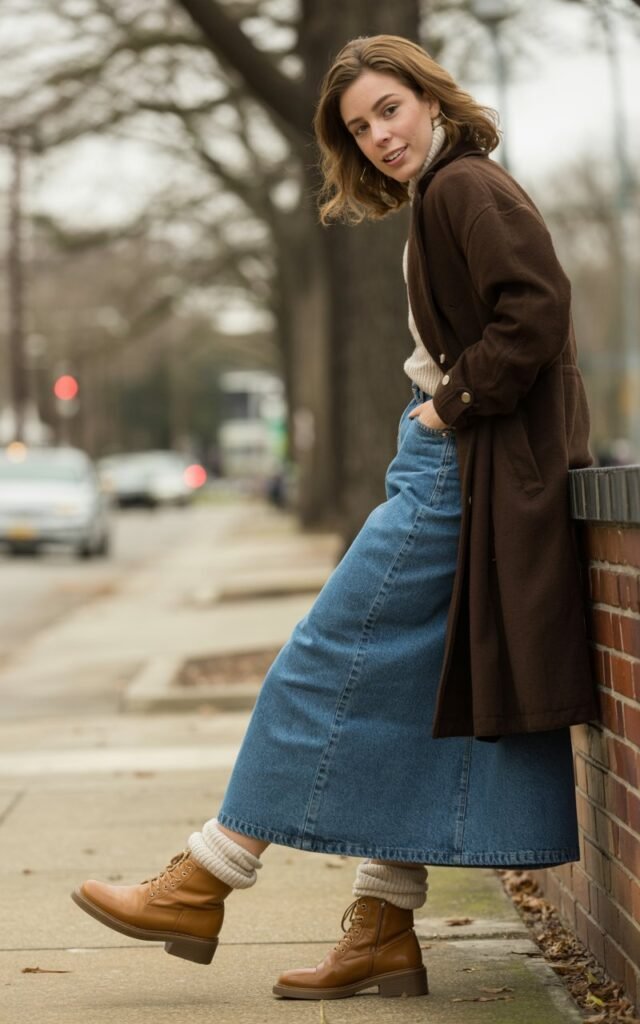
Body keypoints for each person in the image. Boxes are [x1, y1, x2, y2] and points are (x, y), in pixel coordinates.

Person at [71, 34, 598, 1002]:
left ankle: (207, 874)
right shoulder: (450, 192)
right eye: (359, 128)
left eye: (388, 110)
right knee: (410, 686)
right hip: (459, 462)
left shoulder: (463, 188)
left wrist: (447, 406)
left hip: (456, 464)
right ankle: (382, 923)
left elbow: (535, 309)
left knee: (327, 658)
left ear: (429, 98)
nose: (379, 137)